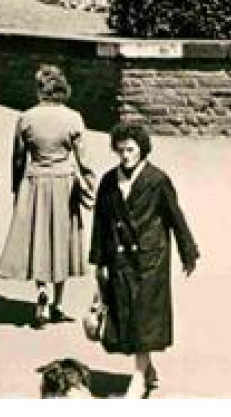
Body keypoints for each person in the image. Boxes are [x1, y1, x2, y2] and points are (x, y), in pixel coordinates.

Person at [90, 122, 199, 398]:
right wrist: (98, 261)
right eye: (121, 150)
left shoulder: (157, 179)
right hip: (119, 258)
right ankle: (146, 368)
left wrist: (188, 252)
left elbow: (175, 217)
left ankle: (138, 378)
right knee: (126, 316)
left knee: (144, 316)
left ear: (142, 150)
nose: (125, 155)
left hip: (151, 257)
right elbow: (100, 223)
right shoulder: (108, 181)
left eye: (130, 150)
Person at [0, 65, 92, 327]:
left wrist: (17, 188)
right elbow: (84, 159)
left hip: (35, 180)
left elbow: (17, 157)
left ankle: (42, 292)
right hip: (63, 181)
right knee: (62, 240)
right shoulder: (73, 118)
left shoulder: (26, 117)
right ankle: (58, 304)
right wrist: (91, 187)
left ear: (40, 89)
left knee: (39, 237)